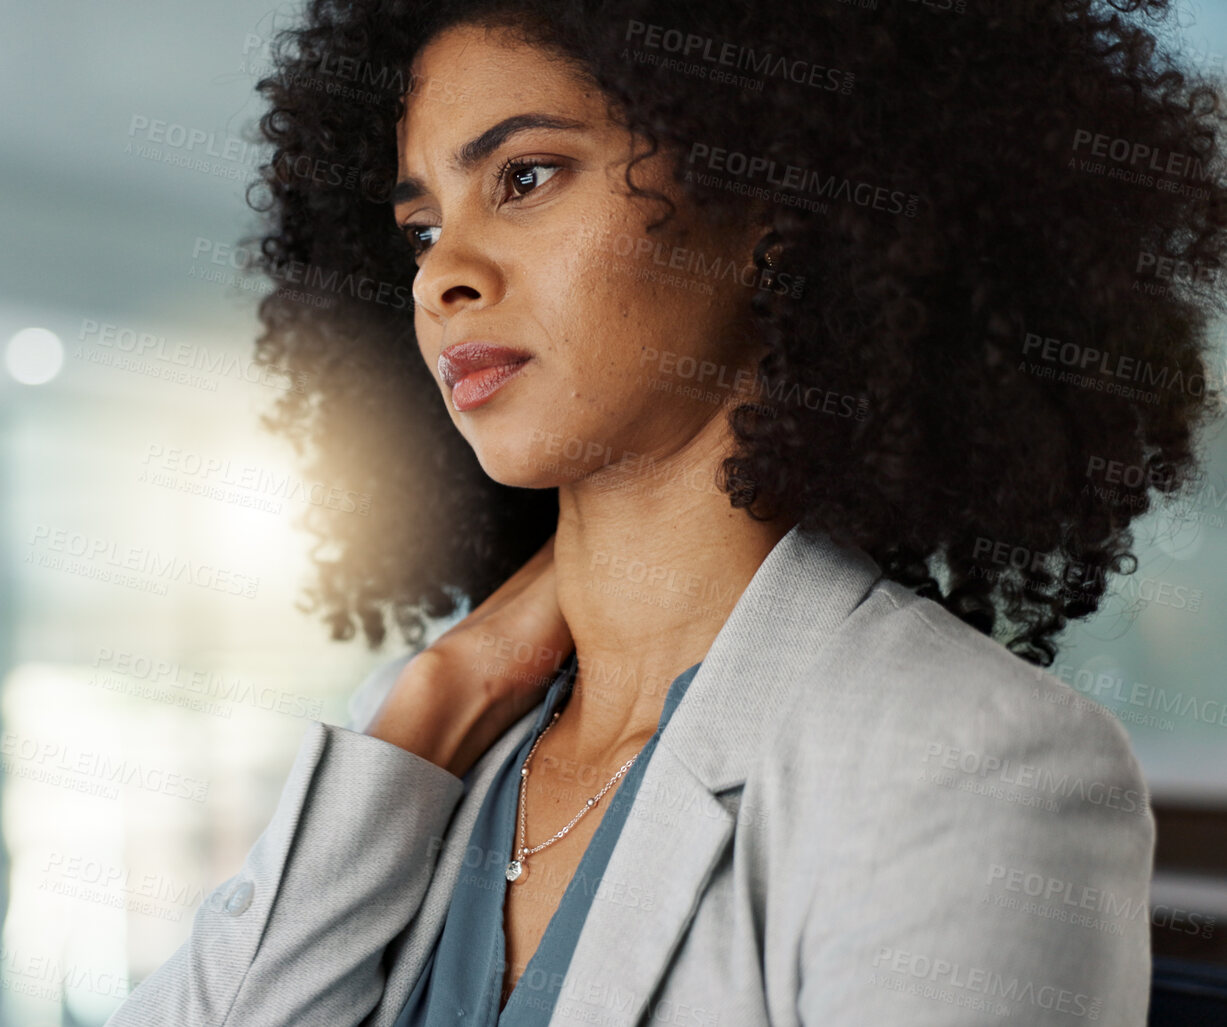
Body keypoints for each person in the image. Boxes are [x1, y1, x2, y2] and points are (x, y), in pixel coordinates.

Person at [108, 0, 1225, 1023]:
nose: (439, 273)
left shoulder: (978, 765)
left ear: (775, 204)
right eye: (418, 228)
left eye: (528, 176)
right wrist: (433, 701)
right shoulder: (432, 735)